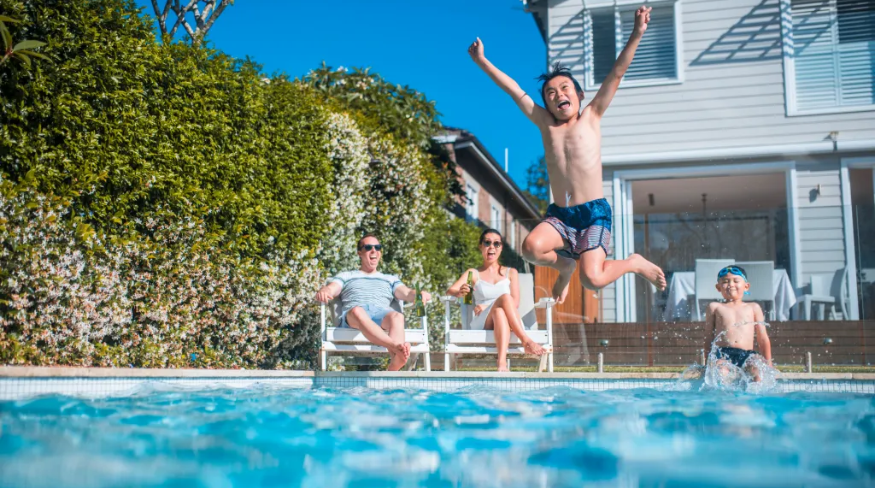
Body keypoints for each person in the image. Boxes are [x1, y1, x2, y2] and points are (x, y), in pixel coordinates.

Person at [468, 5, 666, 304]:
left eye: (565, 89)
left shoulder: (592, 116)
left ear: (580, 95)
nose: (559, 95)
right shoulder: (545, 124)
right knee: (531, 247)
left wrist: (637, 33)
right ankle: (565, 266)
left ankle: (633, 263)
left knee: (593, 280)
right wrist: (483, 61)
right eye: (551, 93)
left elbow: (617, 73)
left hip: (593, 216)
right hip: (561, 216)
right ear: (546, 105)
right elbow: (515, 91)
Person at [314, 234, 431, 371]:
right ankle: (395, 347)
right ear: (360, 253)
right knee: (358, 311)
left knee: (397, 316)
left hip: (380, 314)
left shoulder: (390, 279)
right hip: (354, 316)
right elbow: (332, 288)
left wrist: (419, 294)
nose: (374, 250)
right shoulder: (347, 276)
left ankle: (394, 365)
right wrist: (325, 290)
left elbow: (406, 293)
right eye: (368, 247)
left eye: (377, 247)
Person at [446, 229, 546, 372]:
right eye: (487, 242)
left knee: (499, 311)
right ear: (481, 246)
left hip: (508, 317)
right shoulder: (473, 273)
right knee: (505, 298)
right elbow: (450, 291)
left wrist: (486, 304)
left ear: (501, 248)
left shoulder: (511, 272)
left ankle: (501, 364)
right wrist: (460, 291)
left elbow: (515, 302)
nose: (492, 246)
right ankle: (526, 340)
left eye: (496, 243)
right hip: (483, 321)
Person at [704, 265, 773, 382]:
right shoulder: (715, 307)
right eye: (725, 282)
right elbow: (708, 337)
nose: (731, 285)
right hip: (723, 354)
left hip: (747, 354)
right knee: (720, 372)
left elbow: (763, 338)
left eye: (736, 281)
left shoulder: (753, 307)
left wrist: (769, 364)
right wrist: (707, 363)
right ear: (718, 287)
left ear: (746, 286)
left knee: (757, 371)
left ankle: (755, 398)